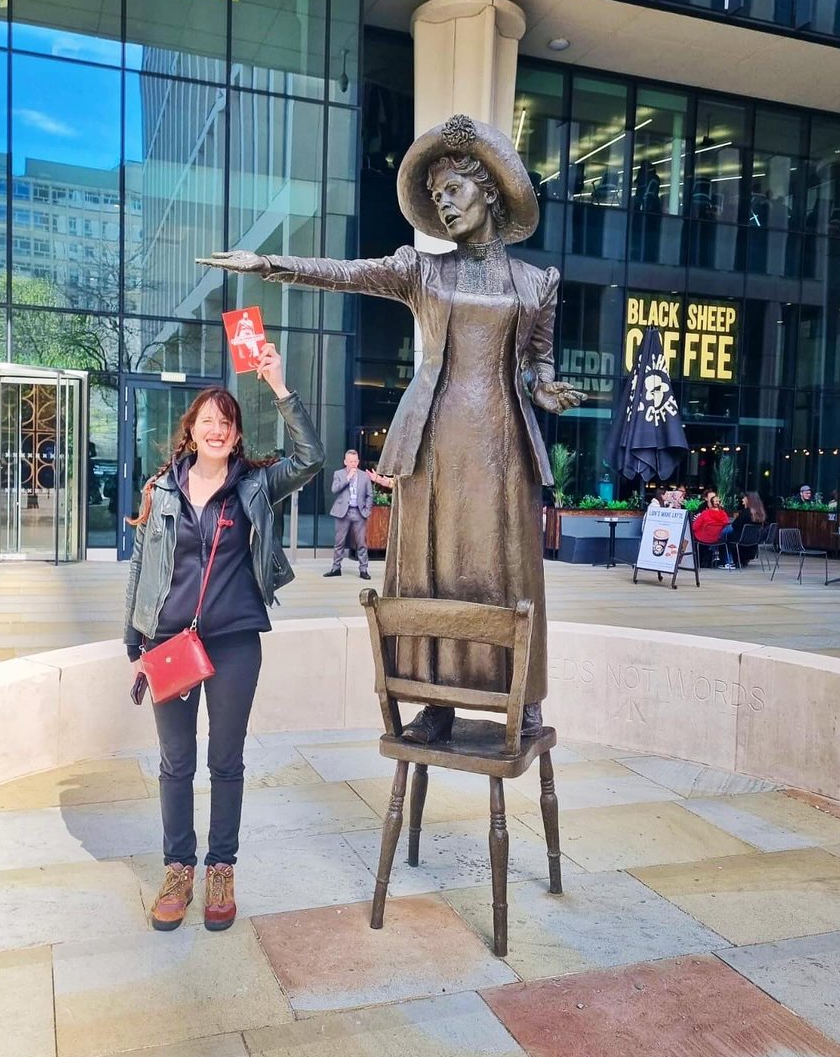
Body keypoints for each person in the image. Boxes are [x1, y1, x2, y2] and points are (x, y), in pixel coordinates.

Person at [199, 114, 585, 745]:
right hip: (433, 440)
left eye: (453, 190)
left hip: (501, 443)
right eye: (435, 197)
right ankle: (434, 698)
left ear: (488, 191)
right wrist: (270, 264)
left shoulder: (536, 284)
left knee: (508, 568)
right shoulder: (420, 270)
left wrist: (547, 388)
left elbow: (537, 367)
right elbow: (348, 272)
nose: (444, 203)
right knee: (430, 568)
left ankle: (520, 692)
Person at [123, 343, 324, 933]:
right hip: (169, 643)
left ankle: (221, 868)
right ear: (192, 431)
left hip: (235, 641)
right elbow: (141, 567)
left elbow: (310, 457)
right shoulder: (161, 490)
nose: (216, 429)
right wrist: (133, 645)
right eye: (206, 421)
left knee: (226, 761)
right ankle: (178, 867)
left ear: (236, 437)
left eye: (226, 423)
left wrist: (280, 387)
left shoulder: (256, 486)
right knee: (175, 762)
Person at [324, 449, 374, 580]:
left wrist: (367, 510)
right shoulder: (339, 474)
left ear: (358, 462)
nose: (353, 464)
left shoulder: (364, 476)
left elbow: (370, 495)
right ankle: (336, 568)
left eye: (355, 461)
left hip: (359, 512)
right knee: (339, 542)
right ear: (345, 462)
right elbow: (334, 489)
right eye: (350, 461)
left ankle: (363, 569)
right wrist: (348, 478)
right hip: (342, 512)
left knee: (361, 543)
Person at [692, 493, 733, 568]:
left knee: (693, 537)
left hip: (704, 538)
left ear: (710, 503)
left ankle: (696, 562)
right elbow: (726, 525)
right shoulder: (723, 514)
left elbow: (694, 527)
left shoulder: (705, 513)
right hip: (718, 539)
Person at [728, 490, 766, 567]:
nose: (742, 499)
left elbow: (735, 525)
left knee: (725, 535)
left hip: (740, 540)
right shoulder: (759, 513)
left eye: (744, 498)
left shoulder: (746, 512)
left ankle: (728, 560)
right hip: (753, 542)